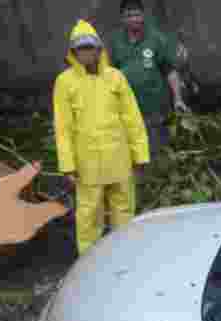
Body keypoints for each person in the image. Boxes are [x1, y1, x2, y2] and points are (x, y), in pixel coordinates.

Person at [53, 19, 149, 257]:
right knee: (89, 213)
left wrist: (140, 155)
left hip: (120, 158)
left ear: (99, 49)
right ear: (73, 53)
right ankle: (89, 259)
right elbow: (63, 127)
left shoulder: (116, 78)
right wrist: (68, 165)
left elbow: (132, 119)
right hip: (88, 163)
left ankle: (125, 253)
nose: (86, 53)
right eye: (80, 49)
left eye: (90, 48)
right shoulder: (65, 82)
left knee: (124, 208)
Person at [107, 0, 189, 168]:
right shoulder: (115, 42)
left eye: (136, 14)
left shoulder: (156, 38)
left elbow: (170, 71)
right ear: (122, 18)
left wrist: (178, 99)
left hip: (155, 110)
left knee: (156, 153)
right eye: (129, 15)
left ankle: (157, 181)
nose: (133, 18)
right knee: (131, 156)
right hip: (126, 111)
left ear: (143, 16)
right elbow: (109, 76)